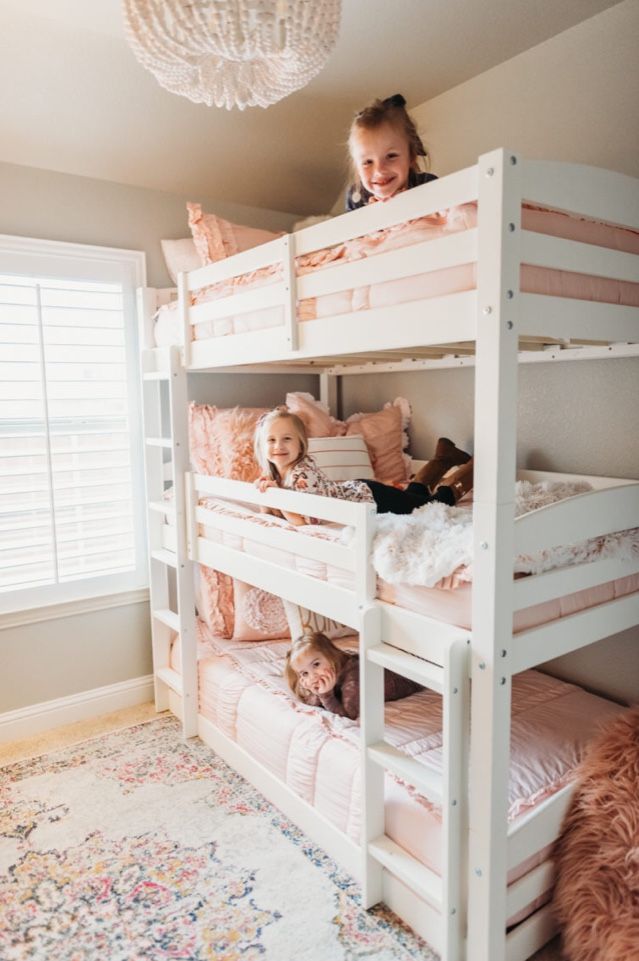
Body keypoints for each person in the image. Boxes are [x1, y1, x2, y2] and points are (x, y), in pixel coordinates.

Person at [253, 406, 473, 527]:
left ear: (301, 444)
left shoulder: (302, 475)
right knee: (413, 499)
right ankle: (444, 456)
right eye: (271, 440)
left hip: (373, 499)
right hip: (360, 492)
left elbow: (306, 523)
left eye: (287, 439)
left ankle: (473, 470)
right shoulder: (276, 474)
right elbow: (269, 515)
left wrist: (276, 498)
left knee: (430, 506)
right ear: (261, 446)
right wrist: (267, 493)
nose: (278, 446)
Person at [284, 631, 422, 720]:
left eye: (316, 665)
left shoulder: (353, 679)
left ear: (331, 655)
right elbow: (314, 704)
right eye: (305, 673)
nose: (313, 675)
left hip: (409, 677)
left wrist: (326, 695)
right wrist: (315, 692)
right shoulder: (328, 672)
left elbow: (347, 715)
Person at [345, 93, 437, 211]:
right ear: (357, 167)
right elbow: (354, 228)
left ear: (411, 156)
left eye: (391, 156)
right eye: (368, 162)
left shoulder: (427, 185)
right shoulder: (356, 198)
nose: (379, 170)